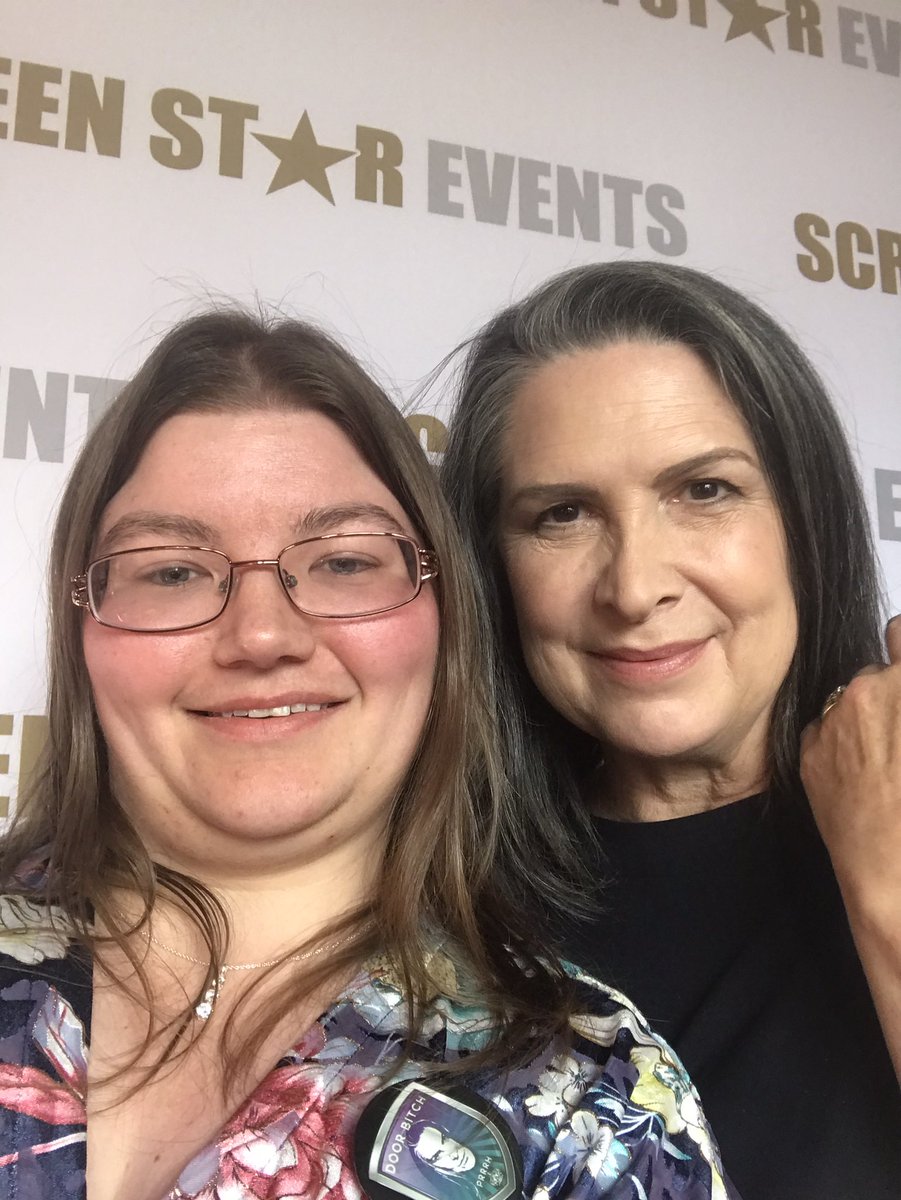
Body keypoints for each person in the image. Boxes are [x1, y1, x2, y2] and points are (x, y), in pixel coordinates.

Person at [0, 309, 734, 1200]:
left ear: (442, 618)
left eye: (345, 562)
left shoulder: (594, 1100)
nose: (262, 634)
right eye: (172, 571)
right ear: (82, 622)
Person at [440, 260, 901, 1200]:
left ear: (803, 522)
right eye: (561, 515)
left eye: (703, 490)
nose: (633, 585)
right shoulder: (433, 893)